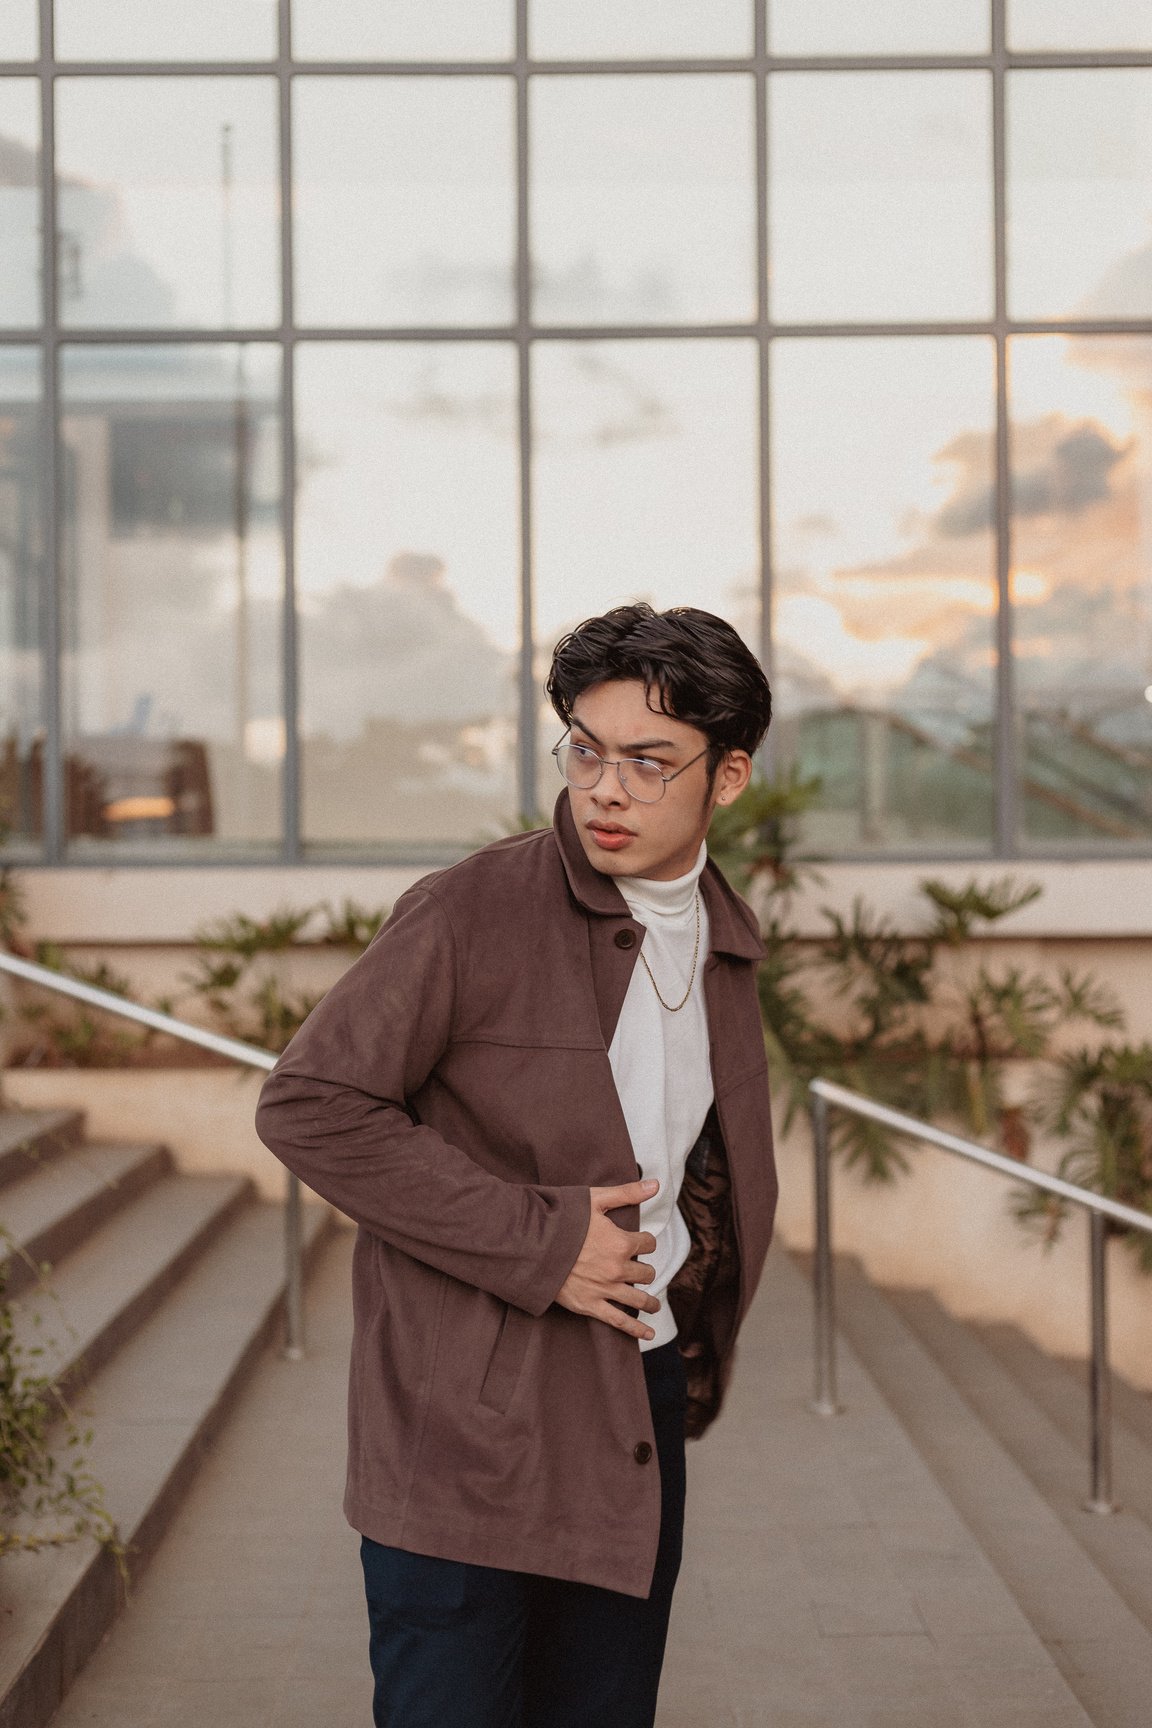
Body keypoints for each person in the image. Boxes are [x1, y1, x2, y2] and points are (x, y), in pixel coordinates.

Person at [254, 602, 777, 1728]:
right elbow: (310, 1104)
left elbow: (703, 1171)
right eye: (585, 751)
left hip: (631, 1393)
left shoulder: (726, 942)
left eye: (649, 761)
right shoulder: (471, 910)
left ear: (727, 778)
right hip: (461, 1430)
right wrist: (542, 1240)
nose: (606, 789)